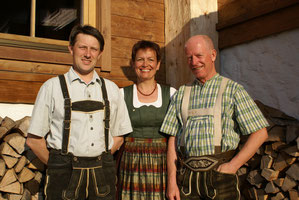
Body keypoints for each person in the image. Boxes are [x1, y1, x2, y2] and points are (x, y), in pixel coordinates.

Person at [26, 24, 132, 200]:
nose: (88, 54)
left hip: (102, 176)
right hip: (63, 178)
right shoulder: (52, 87)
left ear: (100, 53)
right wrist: (59, 166)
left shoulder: (112, 89)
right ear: (71, 49)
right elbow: (34, 140)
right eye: (82, 47)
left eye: (93, 49)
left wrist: (100, 159)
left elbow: (119, 135)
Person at [160, 35, 269, 200]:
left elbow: (260, 133)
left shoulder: (233, 90)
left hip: (221, 177)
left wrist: (232, 166)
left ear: (212, 55)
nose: (194, 62)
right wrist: (172, 182)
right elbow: (172, 140)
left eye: (198, 56)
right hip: (187, 179)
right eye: (189, 58)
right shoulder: (181, 93)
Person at [118, 40, 176, 200]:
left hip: (162, 164)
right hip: (131, 163)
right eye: (140, 59)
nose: (145, 64)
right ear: (133, 63)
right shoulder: (122, 95)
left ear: (158, 65)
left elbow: (176, 136)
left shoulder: (171, 94)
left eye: (151, 59)